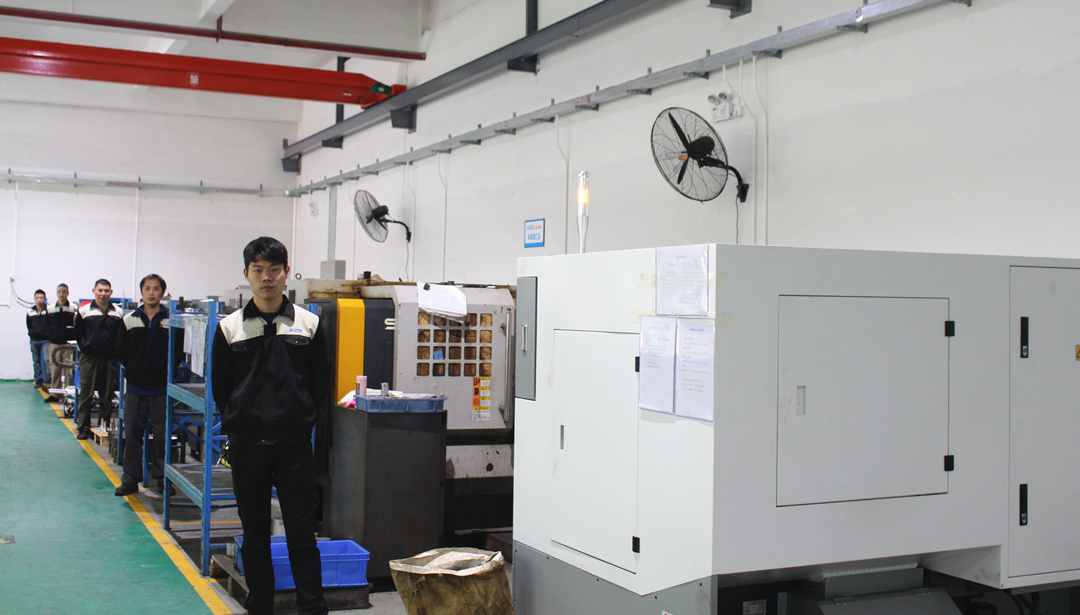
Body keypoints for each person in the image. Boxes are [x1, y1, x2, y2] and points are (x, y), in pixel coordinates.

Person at [211, 237, 329, 615]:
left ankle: (312, 608)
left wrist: (302, 418)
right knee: (255, 533)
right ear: (246, 274)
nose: (267, 278)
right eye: (258, 270)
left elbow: (320, 383)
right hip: (247, 446)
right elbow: (221, 388)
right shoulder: (229, 328)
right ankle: (259, 605)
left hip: (294, 446)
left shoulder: (309, 324)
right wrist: (239, 421)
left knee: (301, 532)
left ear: (286, 273)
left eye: (274, 270)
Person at [115, 274, 172, 496]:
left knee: (162, 437)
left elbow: (178, 352)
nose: (151, 293)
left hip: (161, 389)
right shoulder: (129, 320)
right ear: (142, 292)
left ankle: (162, 480)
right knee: (132, 435)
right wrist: (134, 368)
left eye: (156, 289)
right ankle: (130, 480)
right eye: (147, 288)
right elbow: (121, 350)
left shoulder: (170, 321)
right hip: (135, 388)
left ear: (162, 293)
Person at [73, 279, 123, 440]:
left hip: (110, 360)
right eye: (100, 290)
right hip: (89, 358)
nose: (103, 294)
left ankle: (104, 426)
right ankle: (84, 428)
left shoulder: (118, 312)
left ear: (111, 292)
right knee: (86, 395)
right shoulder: (84, 311)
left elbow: (121, 336)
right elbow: (78, 333)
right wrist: (87, 348)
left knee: (107, 395)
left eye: (106, 291)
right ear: (94, 291)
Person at [46, 283, 78, 401]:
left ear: (68, 293)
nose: (61, 294)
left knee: (69, 370)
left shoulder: (73, 308)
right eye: (59, 292)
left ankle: (68, 395)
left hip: (68, 344)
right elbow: (47, 325)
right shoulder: (50, 308)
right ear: (56, 293)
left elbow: (76, 325)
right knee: (55, 370)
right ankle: (55, 394)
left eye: (64, 292)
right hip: (54, 343)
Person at [26, 289, 52, 389]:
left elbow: (51, 324)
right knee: (36, 361)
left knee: (46, 360)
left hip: (46, 340)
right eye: (37, 298)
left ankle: (47, 380)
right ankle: (38, 379)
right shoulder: (30, 312)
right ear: (34, 299)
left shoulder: (49, 311)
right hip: (34, 340)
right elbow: (29, 325)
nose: (39, 300)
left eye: (41, 298)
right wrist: (32, 334)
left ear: (45, 299)